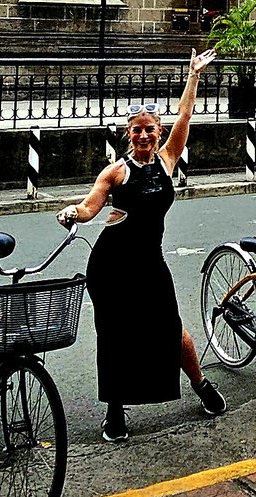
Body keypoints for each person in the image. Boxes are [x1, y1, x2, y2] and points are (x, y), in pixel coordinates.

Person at [58, 49, 224, 443]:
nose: (144, 135)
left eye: (150, 128)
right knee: (115, 335)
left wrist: (193, 75)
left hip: (149, 262)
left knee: (171, 328)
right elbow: (88, 208)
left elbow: (184, 116)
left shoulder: (167, 160)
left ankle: (200, 385)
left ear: (159, 132)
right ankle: (115, 410)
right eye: (137, 129)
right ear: (128, 135)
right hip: (112, 264)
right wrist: (71, 213)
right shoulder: (115, 172)